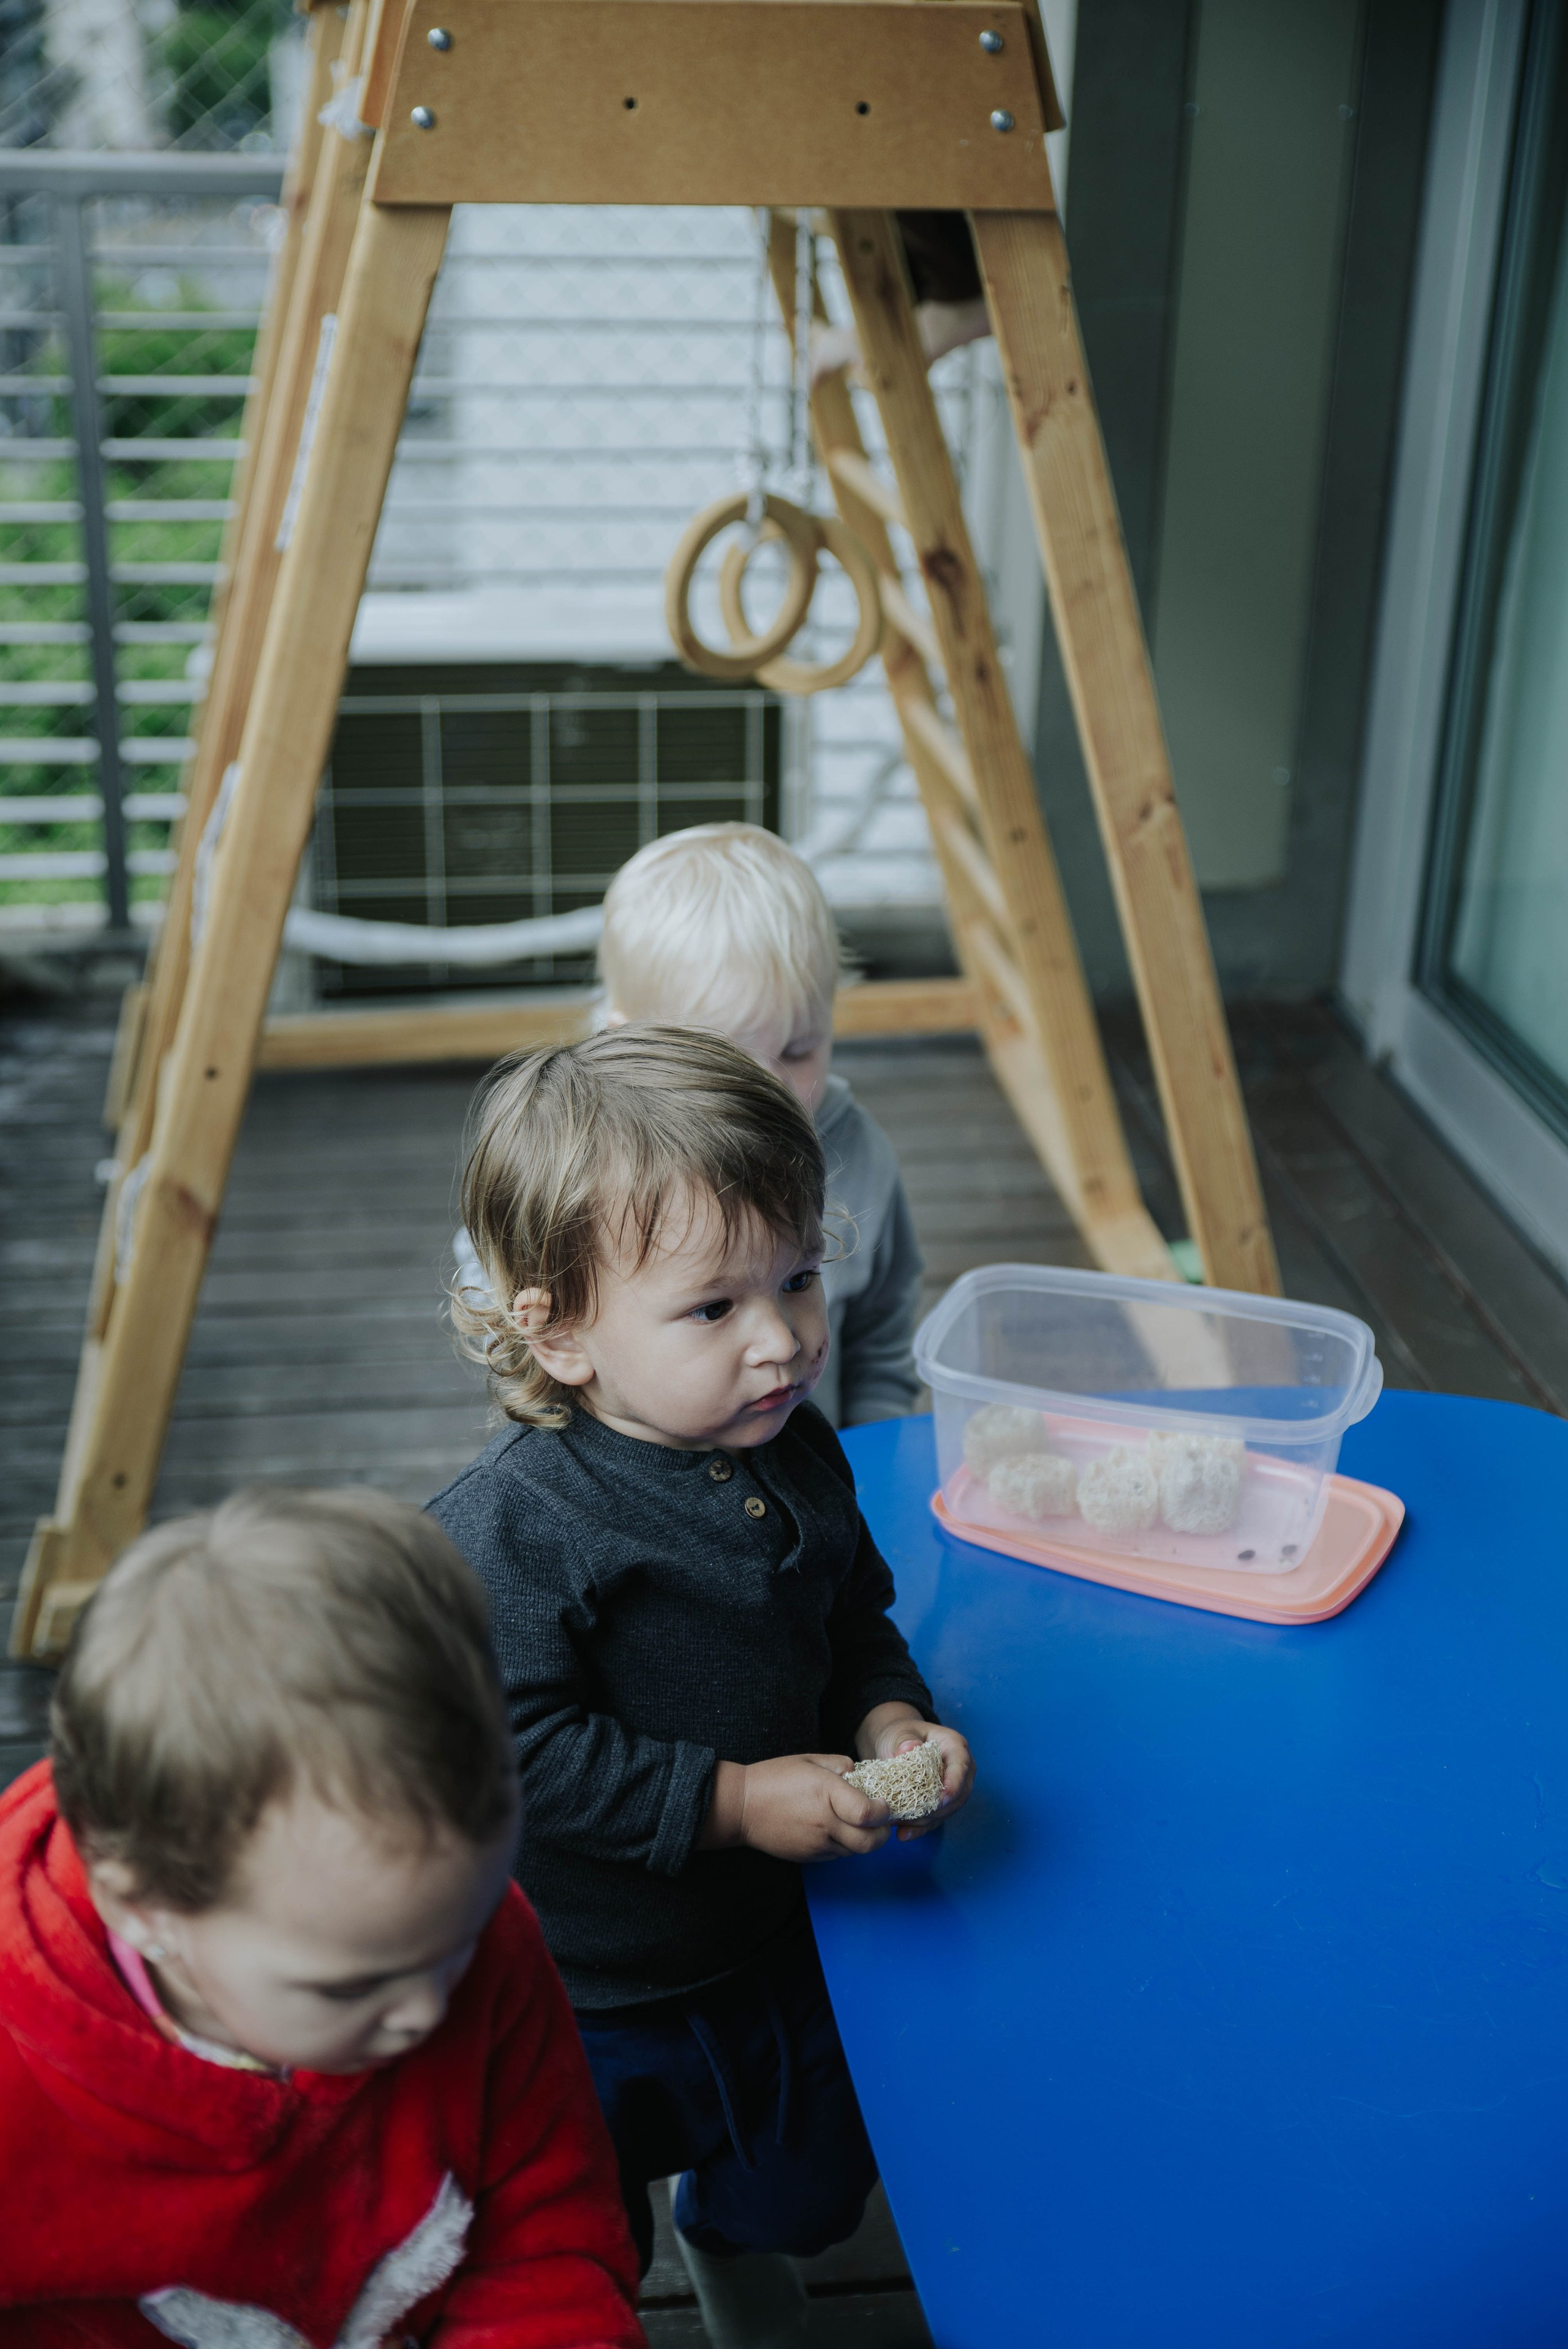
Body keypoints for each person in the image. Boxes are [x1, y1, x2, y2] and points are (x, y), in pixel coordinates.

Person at [435, 1028, 974, 2349]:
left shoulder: (799, 1453)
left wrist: (887, 1714)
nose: (783, 1341)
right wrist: (730, 1801)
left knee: (806, 2185)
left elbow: (850, 1618)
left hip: (782, 1937)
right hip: (586, 1982)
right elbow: (511, 1748)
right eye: (712, 1308)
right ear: (558, 1331)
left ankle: (731, 2239)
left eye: (797, 1279)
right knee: (574, 2231)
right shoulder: (509, 1534)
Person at [0, 1486, 642, 2349]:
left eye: (460, 1941)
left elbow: (543, 2225)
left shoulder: (454, 1929)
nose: (428, 2007)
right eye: (354, 1983)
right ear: (142, 1904)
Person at [595, 821, 923, 1428]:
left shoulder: (858, 1150)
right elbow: (504, 1282)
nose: (774, 1087)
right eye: (731, 1059)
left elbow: (883, 1326)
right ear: (632, 1042)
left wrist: (870, 1443)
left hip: (806, 1476)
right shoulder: (583, 1156)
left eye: (799, 1049)